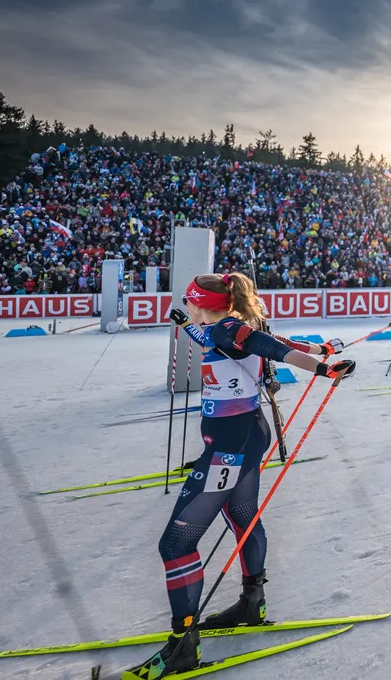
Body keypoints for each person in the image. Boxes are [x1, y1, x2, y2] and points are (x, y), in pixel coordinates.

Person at [138, 273, 353, 678]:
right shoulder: (222, 327)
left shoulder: (228, 327)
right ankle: (253, 603)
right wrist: (186, 325)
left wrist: (321, 368)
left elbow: (272, 349)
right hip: (246, 437)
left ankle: (183, 644)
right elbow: (268, 342)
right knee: (243, 516)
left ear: (203, 302)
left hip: (228, 450)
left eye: (190, 302)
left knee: (176, 544)